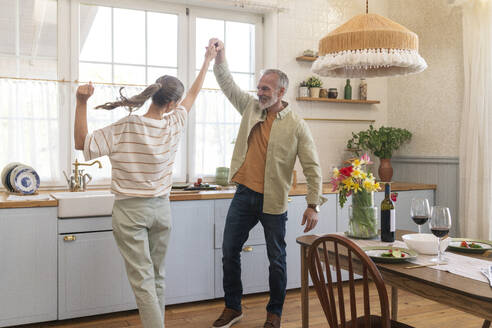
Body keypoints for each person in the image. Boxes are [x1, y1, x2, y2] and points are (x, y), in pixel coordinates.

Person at [73, 39, 219, 328]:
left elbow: (82, 144)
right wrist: (207, 60)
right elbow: (193, 93)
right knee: (157, 276)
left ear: (153, 94)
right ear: (173, 103)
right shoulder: (174, 123)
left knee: (143, 282)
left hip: (130, 212)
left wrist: (81, 102)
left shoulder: (125, 127)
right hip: (161, 211)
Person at [210, 38, 326, 328]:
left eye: (266, 89)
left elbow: (313, 167)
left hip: (273, 200)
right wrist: (220, 56)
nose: (259, 93)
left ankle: (274, 314)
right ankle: (232, 308)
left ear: (281, 92)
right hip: (244, 194)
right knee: (228, 251)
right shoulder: (251, 108)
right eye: (259, 87)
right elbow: (227, 84)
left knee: (277, 259)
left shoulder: (297, 125)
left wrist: (313, 205)